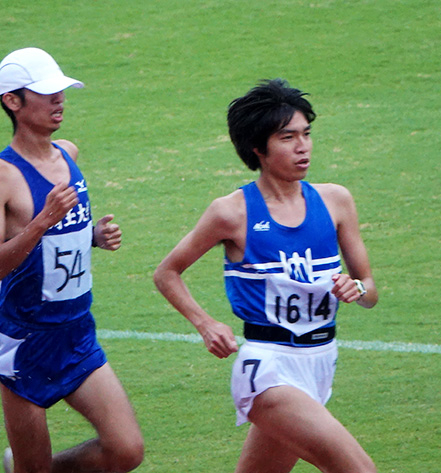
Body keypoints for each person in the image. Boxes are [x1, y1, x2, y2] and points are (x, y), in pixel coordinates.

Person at [154, 79, 379, 473]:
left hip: (320, 364)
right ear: (258, 148)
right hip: (269, 370)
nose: (303, 146)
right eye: (287, 137)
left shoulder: (336, 201)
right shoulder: (232, 212)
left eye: (306, 134)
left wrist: (355, 287)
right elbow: (167, 273)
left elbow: (370, 290)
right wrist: (205, 323)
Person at [0, 47, 144, 473]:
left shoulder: (67, 153)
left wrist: (93, 236)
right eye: (46, 93)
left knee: (126, 450)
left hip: (77, 333)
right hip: (26, 341)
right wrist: (41, 221)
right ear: (12, 101)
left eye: (61, 91)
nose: (59, 100)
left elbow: (63, 239)